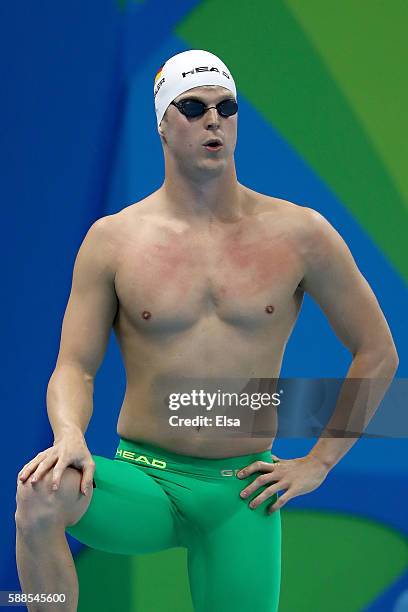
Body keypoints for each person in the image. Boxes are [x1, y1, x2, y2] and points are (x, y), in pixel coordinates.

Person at [15, 49, 399, 612]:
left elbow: (379, 353)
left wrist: (317, 463)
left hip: (241, 491)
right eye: (192, 108)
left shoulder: (301, 234)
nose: (213, 120)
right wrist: (69, 434)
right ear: (162, 125)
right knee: (39, 498)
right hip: (145, 479)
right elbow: (74, 366)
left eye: (226, 107)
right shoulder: (113, 240)